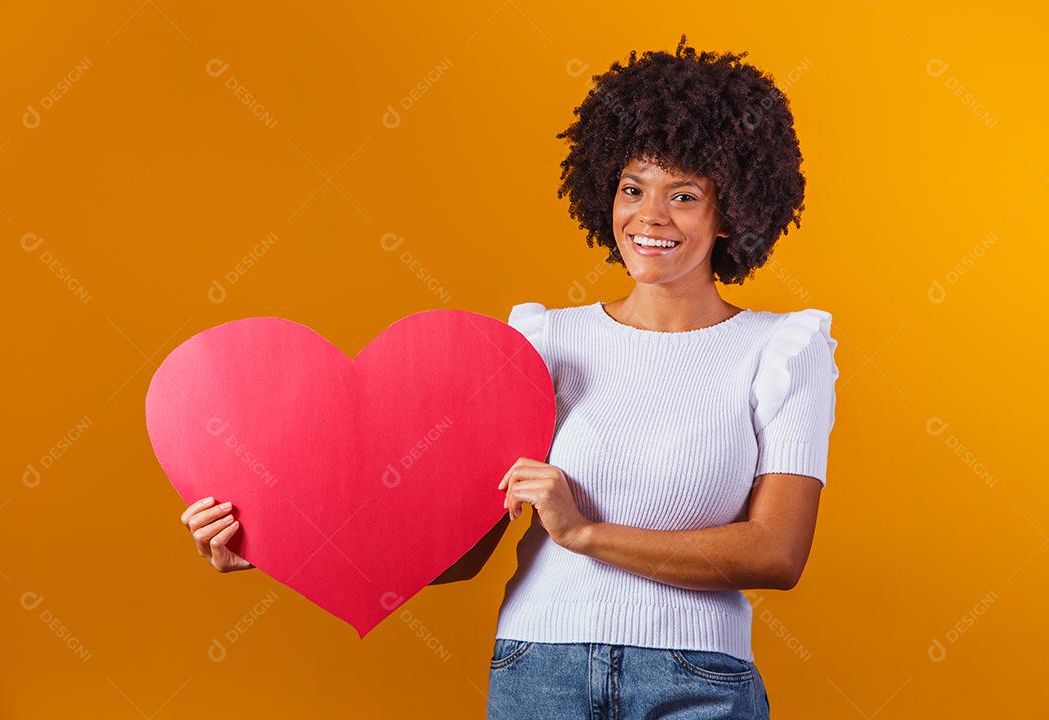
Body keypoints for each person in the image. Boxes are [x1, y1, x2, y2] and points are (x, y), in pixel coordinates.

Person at [181, 34, 838, 720]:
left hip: (699, 678)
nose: (650, 217)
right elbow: (461, 553)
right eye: (632, 188)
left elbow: (776, 552)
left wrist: (584, 533)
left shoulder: (783, 351)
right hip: (539, 671)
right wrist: (274, 546)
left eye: (683, 196)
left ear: (731, 211)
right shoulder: (541, 342)